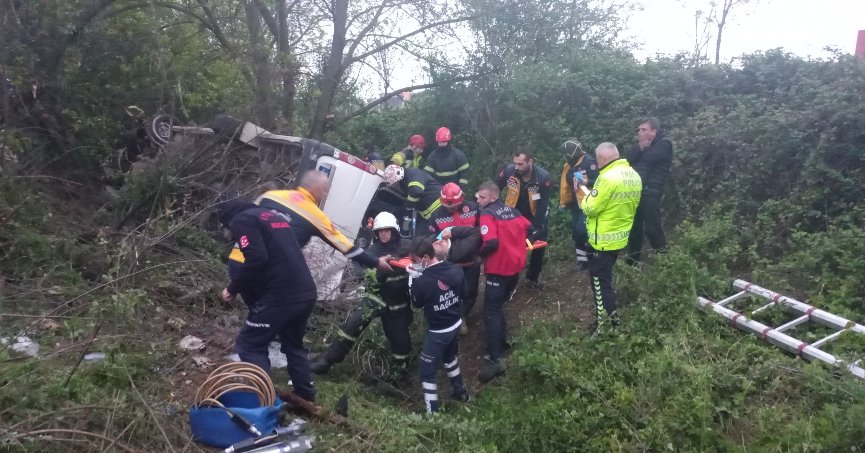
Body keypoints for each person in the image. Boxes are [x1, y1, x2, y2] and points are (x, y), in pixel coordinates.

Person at [218, 197, 319, 402]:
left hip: (282, 294)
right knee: (293, 344)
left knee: (249, 344)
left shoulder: (241, 220)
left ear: (229, 218)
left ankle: (265, 401)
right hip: (306, 291)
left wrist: (233, 288)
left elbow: (257, 257)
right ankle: (305, 396)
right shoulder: (271, 216)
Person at [309, 212, 413, 379]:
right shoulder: (373, 251)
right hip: (375, 299)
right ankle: (326, 361)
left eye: (387, 230)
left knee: (401, 343)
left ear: (394, 230)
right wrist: (370, 271)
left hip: (398, 305)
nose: (383, 234)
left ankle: (397, 377)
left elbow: (425, 254)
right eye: (380, 231)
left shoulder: (408, 246)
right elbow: (357, 265)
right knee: (350, 328)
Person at [255, 170, 392, 272]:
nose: (325, 194)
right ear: (315, 188)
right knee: (304, 294)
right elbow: (345, 246)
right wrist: (375, 262)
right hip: (269, 269)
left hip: (241, 261)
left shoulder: (269, 196)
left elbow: (241, 219)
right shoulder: (315, 215)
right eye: (324, 190)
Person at [579, 143, 641, 333]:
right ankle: (610, 321)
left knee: (600, 287)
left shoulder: (606, 178)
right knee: (605, 283)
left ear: (602, 159)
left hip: (602, 242)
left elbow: (590, 208)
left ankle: (605, 326)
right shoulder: (633, 174)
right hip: (619, 238)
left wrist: (585, 194)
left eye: (598, 161)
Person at [475, 181, 531, 383]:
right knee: (498, 307)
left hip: (498, 269)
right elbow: (528, 227)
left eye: (481, 197)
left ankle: (494, 359)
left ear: (492, 197)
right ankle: (503, 340)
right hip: (515, 269)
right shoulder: (512, 210)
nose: (478, 200)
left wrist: (477, 255)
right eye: (477, 197)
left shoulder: (487, 214)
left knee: (491, 311)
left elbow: (490, 242)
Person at [408, 235, 470, 413]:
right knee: (450, 358)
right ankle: (462, 393)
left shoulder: (422, 281)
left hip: (438, 332)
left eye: (416, 260)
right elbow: (465, 292)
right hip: (456, 323)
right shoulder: (455, 268)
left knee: (426, 369)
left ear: (426, 258)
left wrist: (413, 280)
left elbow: (416, 303)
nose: (414, 263)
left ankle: (432, 413)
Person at [428, 183, 481, 335]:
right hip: (450, 262)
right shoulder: (437, 215)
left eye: (454, 205)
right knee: (451, 292)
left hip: (471, 259)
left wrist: (481, 253)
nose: (451, 209)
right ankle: (454, 318)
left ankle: (463, 315)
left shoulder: (473, 208)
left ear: (462, 198)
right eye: (448, 206)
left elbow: (482, 231)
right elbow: (430, 236)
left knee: (471, 290)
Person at [496, 148, 552, 288]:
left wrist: (537, 228)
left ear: (530, 162)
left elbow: (542, 205)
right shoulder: (509, 172)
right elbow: (495, 188)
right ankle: (509, 275)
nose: (517, 167)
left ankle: (532, 277)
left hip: (534, 213)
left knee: (539, 240)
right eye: (515, 163)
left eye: (520, 164)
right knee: (509, 243)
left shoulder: (543, 178)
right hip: (513, 213)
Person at [626, 118, 673, 264]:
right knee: (634, 229)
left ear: (654, 131)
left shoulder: (664, 144)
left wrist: (644, 148)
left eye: (644, 129)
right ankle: (632, 262)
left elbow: (649, 160)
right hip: (636, 192)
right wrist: (641, 148)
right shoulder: (643, 146)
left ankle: (665, 261)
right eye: (639, 130)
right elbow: (628, 160)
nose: (640, 133)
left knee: (652, 228)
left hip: (651, 192)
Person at [559, 139, 599, 270]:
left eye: (567, 152)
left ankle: (593, 257)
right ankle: (582, 261)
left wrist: (587, 180)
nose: (565, 155)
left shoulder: (589, 162)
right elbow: (568, 184)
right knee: (576, 232)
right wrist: (565, 201)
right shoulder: (569, 165)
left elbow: (600, 181)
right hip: (576, 203)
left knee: (583, 231)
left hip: (588, 202)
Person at [383, 164, 443, 235]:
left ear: (399, 176)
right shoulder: (404, 182)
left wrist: (408, 206)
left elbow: (416, 191)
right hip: (429, 215)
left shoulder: (412, 173)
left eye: (395, 182)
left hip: (440, 209)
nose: (395, 185)